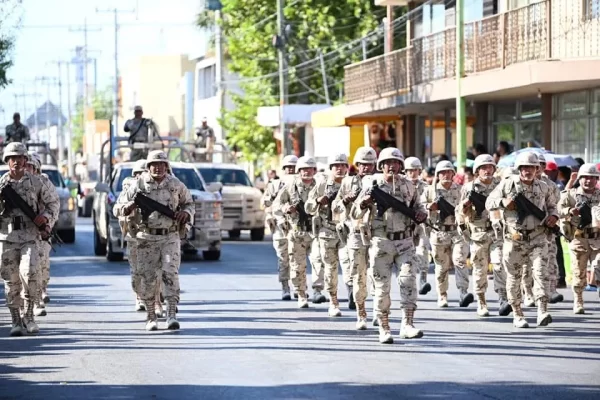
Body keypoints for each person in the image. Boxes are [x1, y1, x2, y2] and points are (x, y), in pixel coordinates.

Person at [352, 147, 427, 344]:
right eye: (388, 163)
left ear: (401, 165)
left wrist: (422, 214)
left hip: (405, 241)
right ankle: (384, 327)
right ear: (381, 165)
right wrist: (364, 203)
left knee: (408, 280)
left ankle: (407, 324)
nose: (392, 166)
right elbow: (354, 213)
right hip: (381, 242)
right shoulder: (372, 184)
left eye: (395, 163)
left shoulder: (409, 185)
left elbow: (418, 206)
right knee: (381, 288)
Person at [116, 150, 194, 331]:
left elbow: (189, 203)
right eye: (154, 165)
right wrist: (127, 208)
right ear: (148, 167)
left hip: (169, 237)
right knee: (148, 278)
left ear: (167, 166)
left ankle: (171, 314)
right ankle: (151, 316)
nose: (158, 168)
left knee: (170, 273)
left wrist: (186, 212)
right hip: (146, 238)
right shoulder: (138, 184)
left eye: (162, 164)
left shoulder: (175, 184)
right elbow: (118, 207)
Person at [486, 151, 557, 328]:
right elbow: (489, 202)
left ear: (537, 169)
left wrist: (554, 216)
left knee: (541, 272)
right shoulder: (508, 184)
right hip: (515, 239)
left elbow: (552, 206)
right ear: (519, 169)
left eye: (531, 167)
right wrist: (503, 202)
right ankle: (517, 313)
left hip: (538, 236)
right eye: (524, 167)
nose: (528, 171)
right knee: (514, 277)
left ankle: (542, 310)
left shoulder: (543, 187)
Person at [0, 142, 59, 336]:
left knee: (31, 274)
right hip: (7, 238)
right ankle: (16, 320)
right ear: (7, 161)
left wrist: (46, 219)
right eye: (12, 158)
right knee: (11, 281)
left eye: (19, 158)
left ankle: (29, 316)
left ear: (25, 160)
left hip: (30, 236)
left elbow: (53, 203)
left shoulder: (36, 182)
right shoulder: (2, 185)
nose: (16, 161)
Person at [457, 154, 510, 317]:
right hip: (478, 234)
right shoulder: (469, 188)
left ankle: (503, 299)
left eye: (490, 167)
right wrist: (465, 207)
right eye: (483, 168)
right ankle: (481, 302)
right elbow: (459, 213)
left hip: (497, 233)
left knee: (499, 264)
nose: (487, 170)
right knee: (480, 270)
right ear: (477, 171)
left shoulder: (501, 185)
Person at [332, 146, 377, 329]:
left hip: (377, 234)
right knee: (358, 274)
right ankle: (361, 313)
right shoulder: (348, 182)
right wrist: (345, 200)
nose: (366, 167)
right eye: (362, 164)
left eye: (370, 164)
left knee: (377, 273)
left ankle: (378, 311)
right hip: (356, 233)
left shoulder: (380, 181)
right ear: (357, 165)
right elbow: (335, 208)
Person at [423, 160, 473, 308]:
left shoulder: (461, 190)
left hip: (457, 231)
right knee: (441, 266)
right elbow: (420, 207)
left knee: (460, 261)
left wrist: (465, 209)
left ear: (453, 174)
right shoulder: (430, 191)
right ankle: (442, 295)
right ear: (438, 175)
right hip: (439, 232)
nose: (446, 175)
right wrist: (429, 207)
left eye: (448, 172)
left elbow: (470, 209)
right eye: (442, 172)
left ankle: (463, 292)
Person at [306, 153, 350, 317]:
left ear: (347, 168)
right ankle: (333, 301)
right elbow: (308, 206)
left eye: (342, 165)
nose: (339, 168)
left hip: (347, 230)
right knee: (330, 268)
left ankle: (353, 293)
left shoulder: (351, 184)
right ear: (331, 168)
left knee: (350, 264)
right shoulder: (322, 185)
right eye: (336, 166)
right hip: (327, 231)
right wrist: (318, 201)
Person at [558, 163, 600, 314]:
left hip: (597, 238)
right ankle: (578, 301)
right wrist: (570, 211)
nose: (588, 180)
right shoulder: (570, 195)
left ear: (597, 179)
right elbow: (556, 209)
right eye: (585, 177)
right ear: (580, 179)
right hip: (579, 238)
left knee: (599, 264)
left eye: (592, 177)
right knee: (578, 272)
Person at [261, 155, 298, 300]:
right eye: (288, 167)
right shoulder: (275, 184)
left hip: (297, 226)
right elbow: (266, 203)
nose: (291, 170)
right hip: (280, 226)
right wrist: (270, 214)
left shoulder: (302, 184)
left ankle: (298, 287)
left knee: (297, 258)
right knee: (283, 258)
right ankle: (285, 287)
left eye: (293, 167)